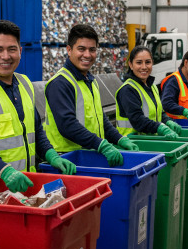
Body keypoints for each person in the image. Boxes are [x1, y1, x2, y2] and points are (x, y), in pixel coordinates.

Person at [0, 20, 75, 192]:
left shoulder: (25, 83)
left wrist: (51, 155)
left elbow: (35, 129)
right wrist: (4, 170)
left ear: (20, 51)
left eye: (12, 49)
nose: (5, 56)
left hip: (22, 184)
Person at [44, 24, 139, 167]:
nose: (87, 55)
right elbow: (67, 125)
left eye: (92, 50)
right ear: (69, 50)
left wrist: (120, 139)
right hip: (68, 162)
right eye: (81, 49)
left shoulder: (90, 81)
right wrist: (101, 145)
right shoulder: (60, 83)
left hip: (87, 157)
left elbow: (100, 119)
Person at [115, 45, 183, 139]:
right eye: (139, 63)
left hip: (150, 141)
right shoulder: (128, 90)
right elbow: (137, 120)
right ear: (130, 65)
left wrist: (167, 121)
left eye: (148, 62)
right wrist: (160, 127)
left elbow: (158, 112)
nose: (144, 67)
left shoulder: (152, 87)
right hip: (133, 143)